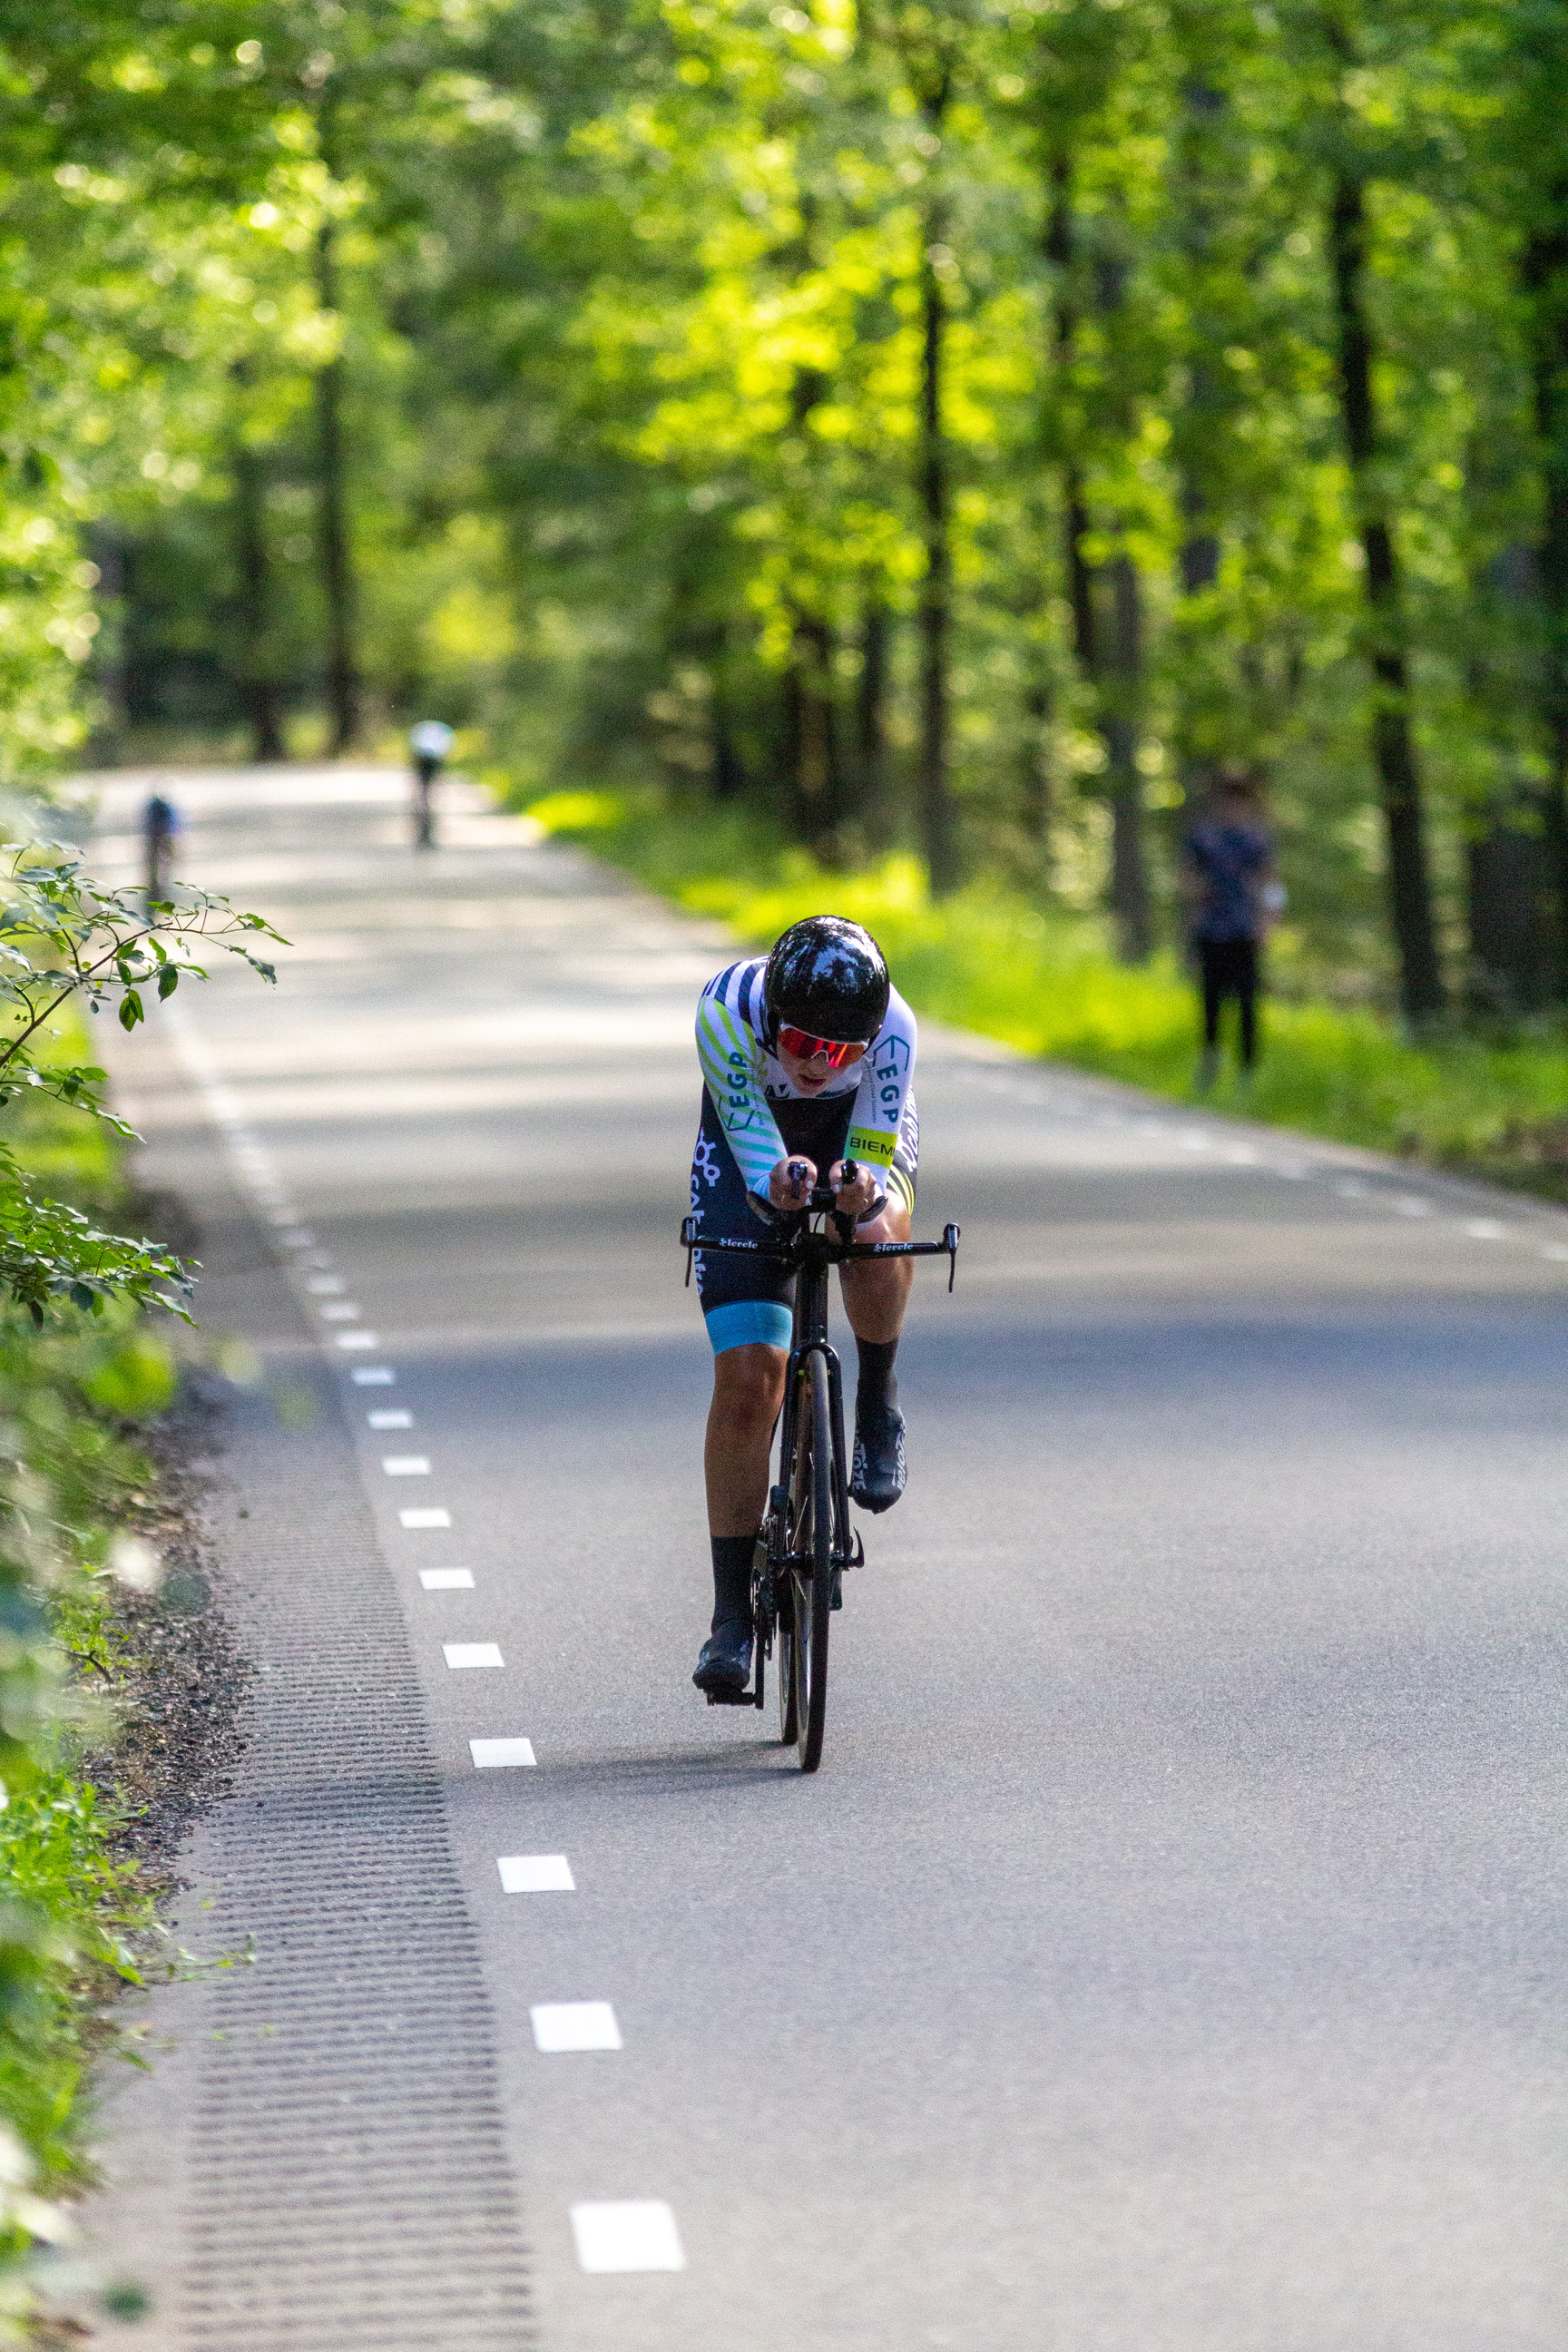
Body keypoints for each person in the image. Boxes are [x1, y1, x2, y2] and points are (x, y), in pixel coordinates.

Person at [687, 916, 919, 1699]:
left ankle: (877, 1396)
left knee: (876, 1231)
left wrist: (859, 1193)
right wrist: (777, 1182)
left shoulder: (895, 1030)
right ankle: (730, 1618)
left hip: (854, 1131)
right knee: (752, 1377)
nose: (822, 1065)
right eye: (805, 1046)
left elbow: (877, 1153)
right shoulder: (726, 1011)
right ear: (775, 1021)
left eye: (843, 1052)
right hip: (754, 1128)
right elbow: (754, 1148)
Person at [1181, 768, 1283, 1091]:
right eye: (1227, 799)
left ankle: (1247, 1071)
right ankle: (1209, 1063)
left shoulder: (1257, 840)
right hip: (1212, 929)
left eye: (1238, 800)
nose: (1232, 806)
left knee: (1247, 1002)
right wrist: (1196, 893)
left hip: (1245, 930)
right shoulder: (1203, 838)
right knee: (1211, 999)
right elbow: (1185, 879)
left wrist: (1268, 922)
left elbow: (1271, 881)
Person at [407, 720, 455, 848]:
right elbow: (445, 751)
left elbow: (413, 749)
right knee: (432, 798)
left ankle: (422, 832)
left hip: (422, 760)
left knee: (423, 795)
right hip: (434, 760)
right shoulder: (444, 728)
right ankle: (428, 831)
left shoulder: (420, 727)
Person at [142, 792, 179, 916]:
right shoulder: (167, 807)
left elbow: (146, 824)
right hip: (163, 836)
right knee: (164, 863)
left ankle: (156, 885)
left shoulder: (154, 807)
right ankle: (159, 886)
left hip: (156, 836)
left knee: (156, 864)